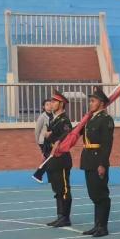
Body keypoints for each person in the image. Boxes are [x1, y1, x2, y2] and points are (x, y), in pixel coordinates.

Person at [80, 87, 115, 237]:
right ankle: (97, 225)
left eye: (93, 101)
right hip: (88, 159)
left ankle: (103, 226)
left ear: (101, 103)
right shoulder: (90, 118)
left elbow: (107, 144)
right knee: (93, 194)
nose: (90, 103)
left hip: (98, 160)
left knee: (101, 195)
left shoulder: (106, 119)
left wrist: (102, 163)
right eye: (90, 101)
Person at [44, 91, 73, 228]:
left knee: (64, 189)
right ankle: (60, 216)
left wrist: (53, 137)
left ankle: (65, 217)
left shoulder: (64, 120)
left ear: (61, 104)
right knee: (57, 188)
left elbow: (67, 134)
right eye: (52, 101)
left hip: (61, 158)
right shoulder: (53, 119)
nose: (52, 103)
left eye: (54, 101)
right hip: (52, 157)